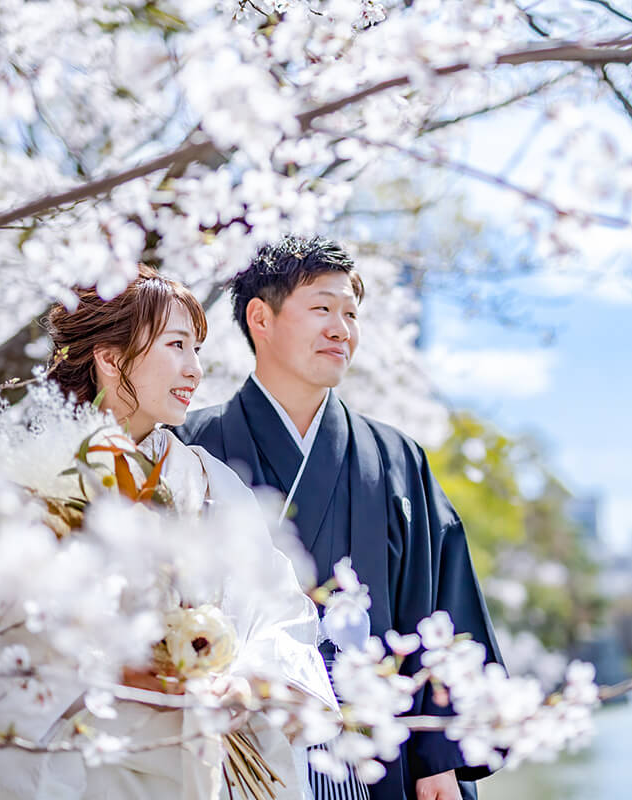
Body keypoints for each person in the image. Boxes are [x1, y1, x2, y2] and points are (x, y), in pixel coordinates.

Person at [0, 266, 337, 799]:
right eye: (177, 345)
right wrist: (121, 669)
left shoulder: (208, 480)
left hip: (200, 755)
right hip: (74, 766)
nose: (195, 370)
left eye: (196, 349)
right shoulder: (28, 480)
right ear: (109, 357)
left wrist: (242, 682)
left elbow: (279, 610)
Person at [175, 237, 503, 800]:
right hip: (241, 740)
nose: (342, 329)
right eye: (322, 308)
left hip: (380, 750)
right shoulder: (191, 447)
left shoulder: (397, 457)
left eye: (351, 313)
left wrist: (438, 755)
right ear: (261, 318)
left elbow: (446, 608)